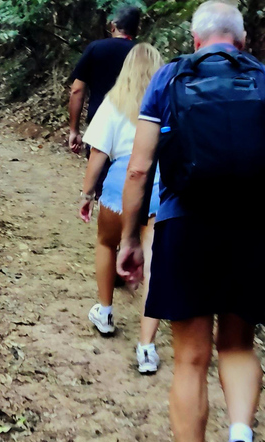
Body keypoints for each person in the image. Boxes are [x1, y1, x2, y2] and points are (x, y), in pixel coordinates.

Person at [116, 2, 265, 442]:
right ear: (242, 39)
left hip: (186, 226)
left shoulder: (167, 79)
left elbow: (138, 170)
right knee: (238, 346)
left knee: (189, 358)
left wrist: (131, 240)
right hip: (255, 230)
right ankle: (242, 440)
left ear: (194, 36)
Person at [78, 43, 164, 374]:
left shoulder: (113, 103)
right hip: (160, 186)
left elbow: (98, 154)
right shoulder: (169, 102)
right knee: (156, 263)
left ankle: (105, 312)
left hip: (119, 185)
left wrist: (86, 194)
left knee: (105, 242)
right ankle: (146, 347)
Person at [68, 5, 141, 155]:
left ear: (113, 26)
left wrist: (74, 130)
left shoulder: (96, 48)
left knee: (97, 175)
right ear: (137, 29)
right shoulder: (142, 53)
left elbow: (77, 90)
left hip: (99, 125)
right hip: (131, 128)